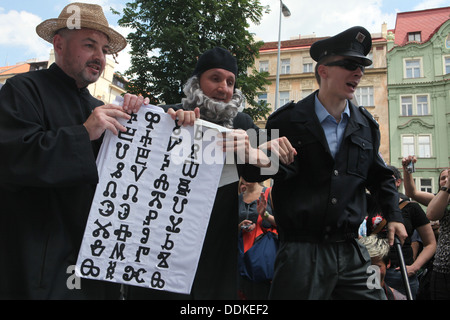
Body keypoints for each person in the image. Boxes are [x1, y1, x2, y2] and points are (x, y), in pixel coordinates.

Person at [242, 26, 407, 300]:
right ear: (323, 70)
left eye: (362, 67)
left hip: (354, 250)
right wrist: (259, 149)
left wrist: (395, 216)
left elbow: (379, 177)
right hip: (301, 253)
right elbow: (251, 173)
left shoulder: (366, 126)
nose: (359, 73)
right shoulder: (285, 121)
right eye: (350, 65)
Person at [0, 3, 150, 299]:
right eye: (89, 45)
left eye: (105, 50)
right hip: (38, 268)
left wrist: (151, 122)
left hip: (94, 267)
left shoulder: (102, 109)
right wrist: (84, 133)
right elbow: (13, 159)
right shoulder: (22, 90)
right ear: (58, 44)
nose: (99, 57)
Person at [125, 47, 295, 300]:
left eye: (230, 82)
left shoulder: (241, 124)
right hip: (162, 237)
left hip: (215, 245)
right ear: (197, 82)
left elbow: (279, 167)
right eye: (215, 79)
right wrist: (143, 112)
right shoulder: (168, 114)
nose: (224, 88)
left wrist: (251, 152)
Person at [366, 165, 436, 299]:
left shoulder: (412, 208)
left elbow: (430, 244)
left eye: (388, 179)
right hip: (374, 268)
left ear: (398, 182)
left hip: (401, 272)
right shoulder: (370, 202)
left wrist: (415, 267)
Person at [237, 178, 276, 299]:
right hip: (242, 253)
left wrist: (265, 216)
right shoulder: (238, 198)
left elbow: (284, 224)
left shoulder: (269, 193)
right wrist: (239, 226)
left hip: (263, 254)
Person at [358, 235, 406, 300]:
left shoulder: (398, 298)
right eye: (365, 266)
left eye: (376, 266)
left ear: (388, 263)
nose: (369, 271)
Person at [427, 168, 450, 299]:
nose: (445, 179)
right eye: (443, 178)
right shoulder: (444, 197)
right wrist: (448, 186)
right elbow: (431, 214)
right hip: (443, 268)